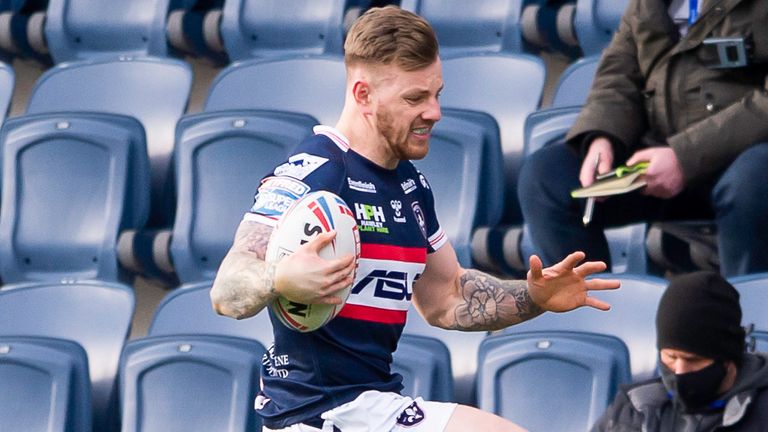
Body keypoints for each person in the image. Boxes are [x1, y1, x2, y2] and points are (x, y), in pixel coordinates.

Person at [210, 6, 620, 432]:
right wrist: (279, 279)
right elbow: (227, 290)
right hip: (319, 415)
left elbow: (447, 298)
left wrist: (533, 298)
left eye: (436, 94)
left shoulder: (411, 184)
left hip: (371, 405)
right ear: (363, 94)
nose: (434, 112)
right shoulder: (314, 172)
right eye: (415, 98)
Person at [517, 0, 768, 276]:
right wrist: (603, 137)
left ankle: (749, 311)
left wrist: (684, 157)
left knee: (753, 180)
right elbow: (619, 73)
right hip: (661, 158)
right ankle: (586, 311)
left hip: (743, 157)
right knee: (546, 177)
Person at [593, 271, 768, 431]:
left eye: (693, 359)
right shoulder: (635, 408)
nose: (679, 371)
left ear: (727, 358)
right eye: (671, 357)